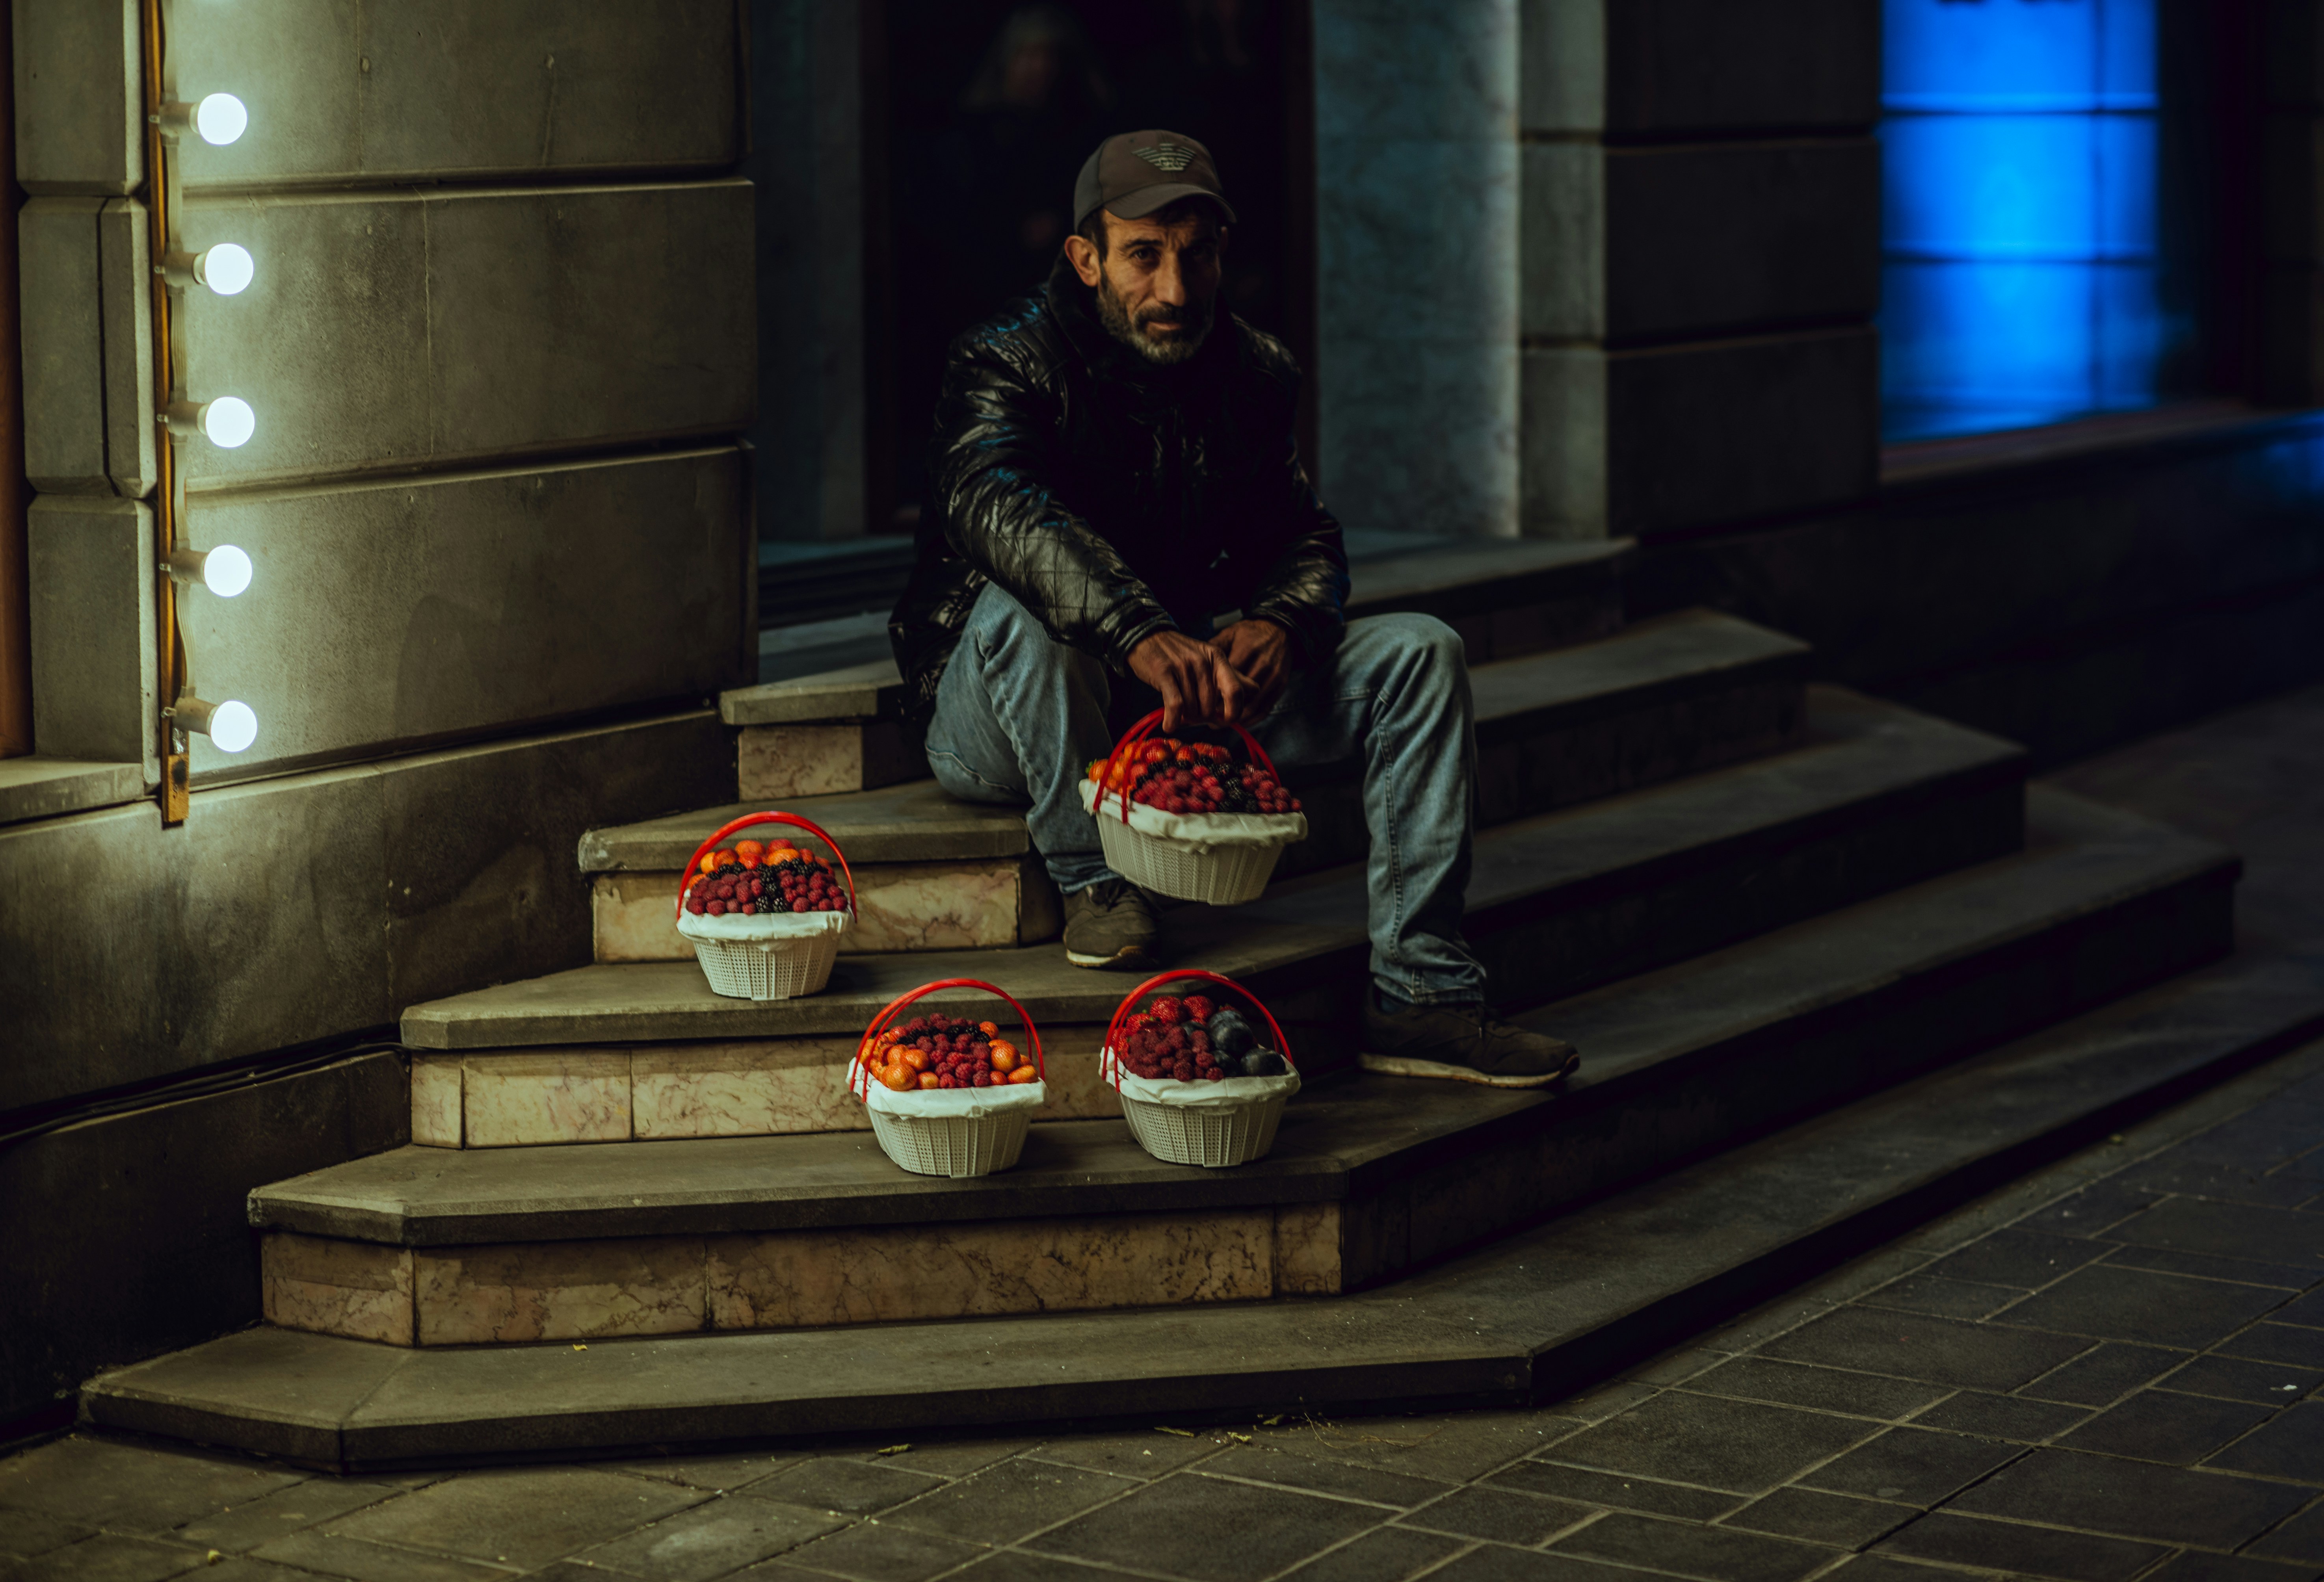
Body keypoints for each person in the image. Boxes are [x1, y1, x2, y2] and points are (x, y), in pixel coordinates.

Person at [888, 130, 1575, 1088]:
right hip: (1005, 714)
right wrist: (1137, 627)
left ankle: (1421, 993)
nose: (1176, 289)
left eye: (1198, 253)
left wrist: (1284, 622)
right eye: (1144, 255)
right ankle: (1092, 876)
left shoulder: (1250, 370)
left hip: (1170, 697)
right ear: (1087, 258)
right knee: (1020, 605)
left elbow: (1301, 534)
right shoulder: (1002, 361)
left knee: (1422, 651)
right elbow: (1002, 509)